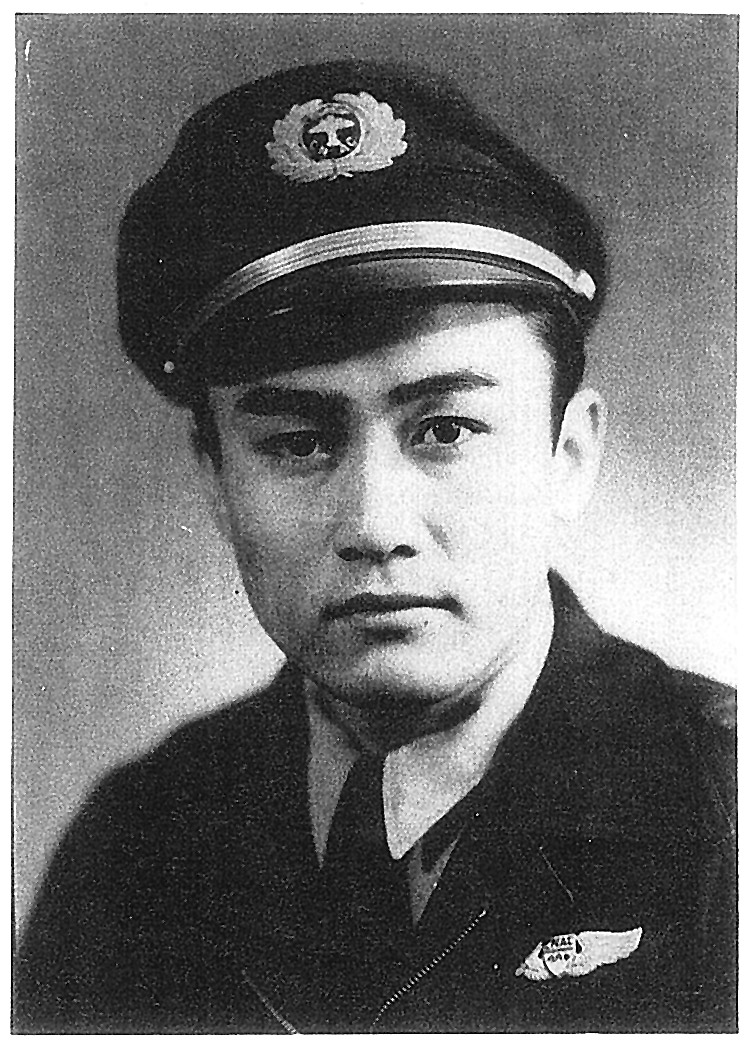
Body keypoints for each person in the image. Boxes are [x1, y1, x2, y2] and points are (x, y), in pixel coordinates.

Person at [14, 60, 735, 1033]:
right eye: (296, 442)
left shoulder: (724, 810)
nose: (374, 525)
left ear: (567, 456)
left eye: (446, 428)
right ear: (216, 481)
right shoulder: (135, 842)